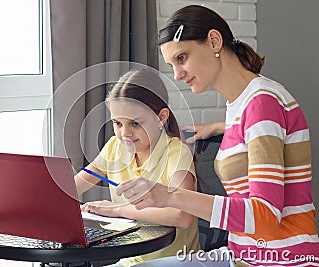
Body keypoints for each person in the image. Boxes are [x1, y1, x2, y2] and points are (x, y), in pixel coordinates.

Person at [115, 5, 319, 267]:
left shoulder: (262, 102)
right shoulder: (242, 104)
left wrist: (170, 196)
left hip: (281, 258)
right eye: (171, 65)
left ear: (214, 41)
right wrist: (219, 126)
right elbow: (260, 129)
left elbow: (265, 217)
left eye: (182, 58)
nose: (177, 75)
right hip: (242, 255)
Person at [75, 69, 201, 266]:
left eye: (135, 123)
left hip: (175, 261)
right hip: (131, 261)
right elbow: (72, 187)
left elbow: (182, 216)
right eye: (118, 123)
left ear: (161, 117)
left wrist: (118, 210)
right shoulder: (114, 147)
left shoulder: (177, 153)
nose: (125, 133)